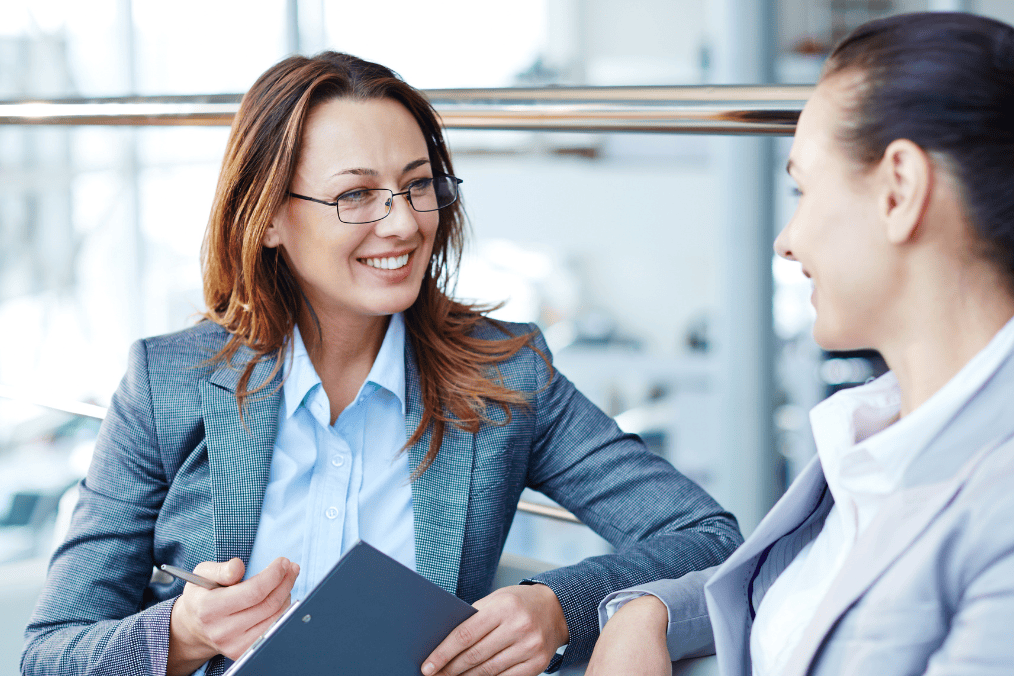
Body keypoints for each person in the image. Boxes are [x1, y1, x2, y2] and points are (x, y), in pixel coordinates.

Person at [21, 52, 742, 676]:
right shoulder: (166, 384)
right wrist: (182, 634)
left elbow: (710, 539)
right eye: (356, 194)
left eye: (418, 184)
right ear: (267, 217)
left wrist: (562, 605)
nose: (402, 222)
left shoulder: (507, 376)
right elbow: (51, 655)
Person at [587, 11, 1014, 676]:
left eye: (802, 189)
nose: (787, 239)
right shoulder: (879, 434)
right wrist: (650, 613)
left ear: (899, 190)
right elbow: (811, 594)